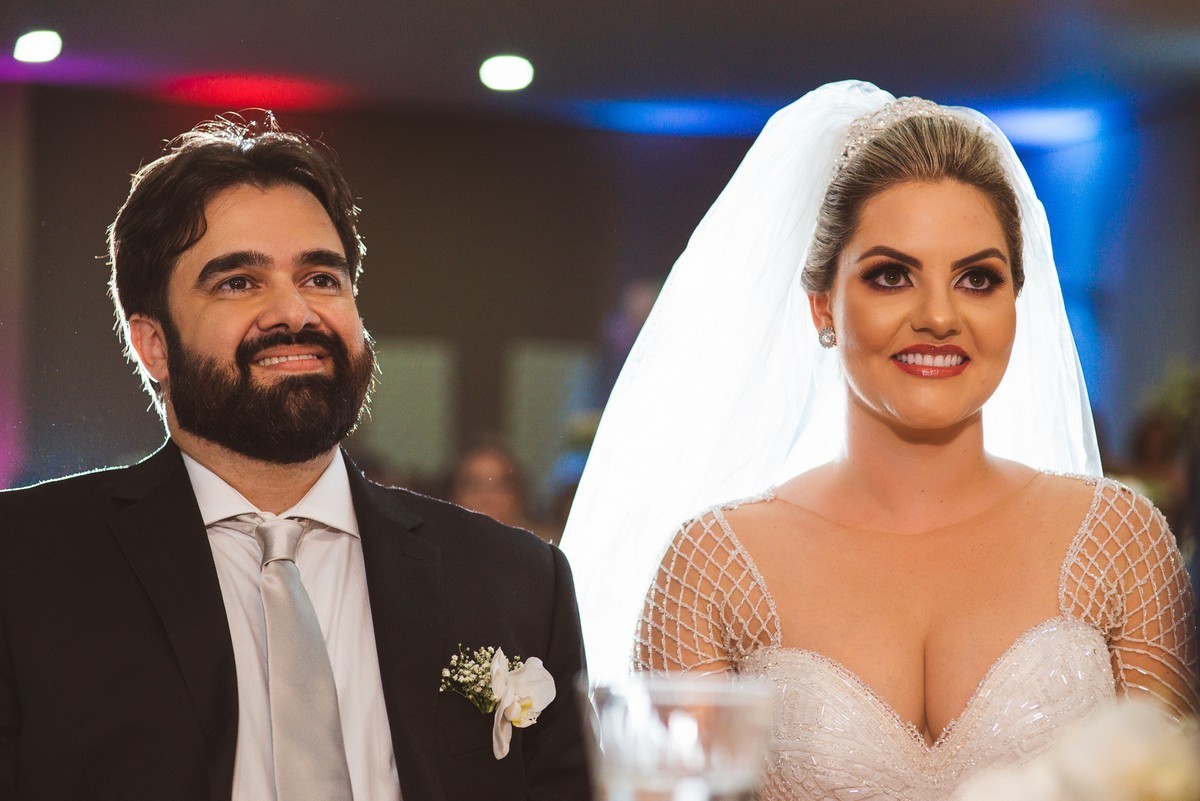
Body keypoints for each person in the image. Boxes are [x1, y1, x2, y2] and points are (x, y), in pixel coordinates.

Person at [560, 81, 1198, 799]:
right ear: (822, 305)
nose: (937, 315)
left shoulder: (1121, 542)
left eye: (977, 279)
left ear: (1017, 304)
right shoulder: (711, 567)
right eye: (892, 275)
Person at [0, 114, 591, 801]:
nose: (296, 312)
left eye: (321, 277)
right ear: (153, 343)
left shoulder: (516, 580)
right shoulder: (24, 563)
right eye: (238, 282)